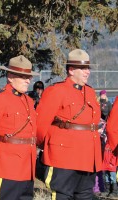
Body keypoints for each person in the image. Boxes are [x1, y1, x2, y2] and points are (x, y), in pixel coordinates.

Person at [36, 49, 102, 199]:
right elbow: (41, 124)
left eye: (88, 68)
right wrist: (47, 148)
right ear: (71, 70)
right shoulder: (56, 91)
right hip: (63, 156)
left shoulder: (90, 92)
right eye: (83, 69)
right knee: (62, 195)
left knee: (85, 195)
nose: (87, 72)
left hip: (87, 156)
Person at [0, 55, 39, 199]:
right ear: (10, 77)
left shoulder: (29, 101)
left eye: (29, 76)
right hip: (6, 168)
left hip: (27, 167)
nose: (28, 80)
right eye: (23, 76)